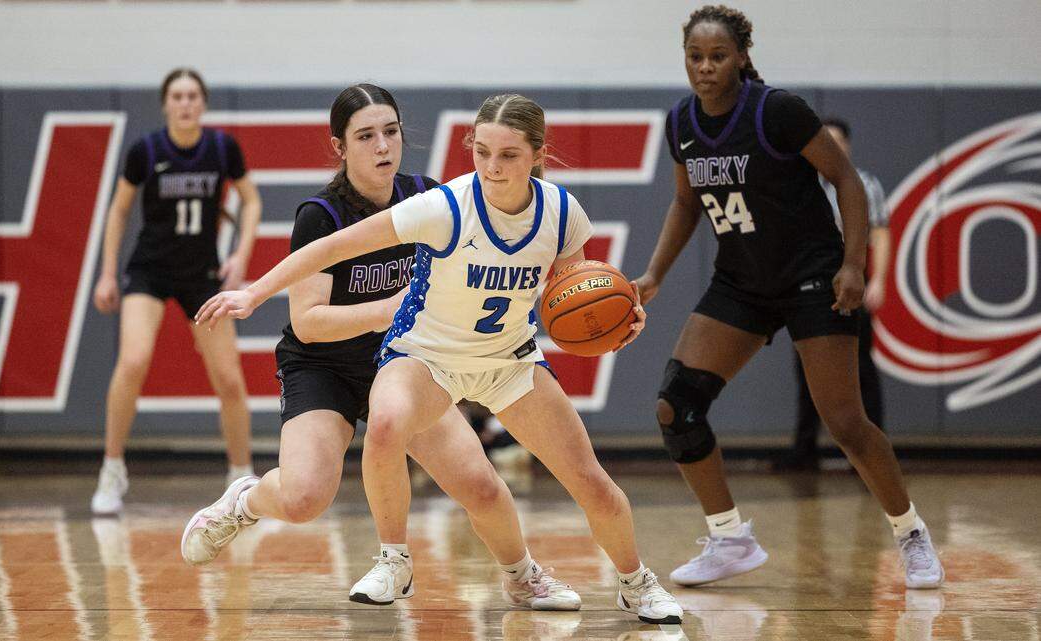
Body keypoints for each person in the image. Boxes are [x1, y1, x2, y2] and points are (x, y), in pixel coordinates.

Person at [194, 93, 685, 625]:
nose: (493, 168)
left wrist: (613, 326)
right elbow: (332, 251)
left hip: (508, 359)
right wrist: (254, 293)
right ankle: (392, 560)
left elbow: (567, 303)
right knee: (378, 431)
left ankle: (627, 582)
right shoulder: (442, 206)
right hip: (418, 357)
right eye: (482, 152)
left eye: (510, 155)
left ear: (538, 154)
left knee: (575, 482)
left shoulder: (563, 214)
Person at [632, 5, 943, 589]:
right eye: (694, 57)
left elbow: (846, 181)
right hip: (741, 282)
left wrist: (854, 263)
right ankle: (729, 539)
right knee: (677, 406)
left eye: (717, 56)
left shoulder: (777, 110)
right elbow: (685, 203)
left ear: (742, 56)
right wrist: (654, 275)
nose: (704, 68)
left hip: (811, 276)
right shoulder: (682, 124)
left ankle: (911, 534)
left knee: (846, 422)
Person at [91, 68, 261, 515]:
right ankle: (112, 469)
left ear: (202, 103)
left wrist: (240, 256)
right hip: (149, 271)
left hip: (200, 273)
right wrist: (108, 274)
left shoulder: (222, 148)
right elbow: (119, 210)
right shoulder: (145, 150)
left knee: (227, 377)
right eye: (177, 96)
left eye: (192, 96)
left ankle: (240, 476)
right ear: (165, 104)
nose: (185, 103)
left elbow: (252, 199)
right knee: (133, 360)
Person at [777, 117, 891, 471]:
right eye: (825, 139)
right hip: (808, 284)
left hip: (850, 281)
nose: (832, 146)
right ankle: (804, 449)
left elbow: (880, 234)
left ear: (849, 146)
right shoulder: (801, 184)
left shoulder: (864, 184)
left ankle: (872, 454)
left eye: (839, 140)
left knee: (862, 370)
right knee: (806, 369)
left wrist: (879, 280)